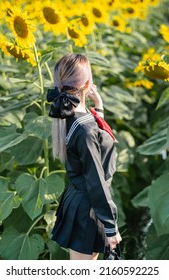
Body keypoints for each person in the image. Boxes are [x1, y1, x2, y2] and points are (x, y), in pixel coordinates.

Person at [47, 53, 122, 260]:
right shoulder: (84, 128)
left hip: (83, 201)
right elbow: (96, 179)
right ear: (88, 84)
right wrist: (110, 225)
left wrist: (99, 108)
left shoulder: (74, 116)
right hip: (88, 208)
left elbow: (96, 140)